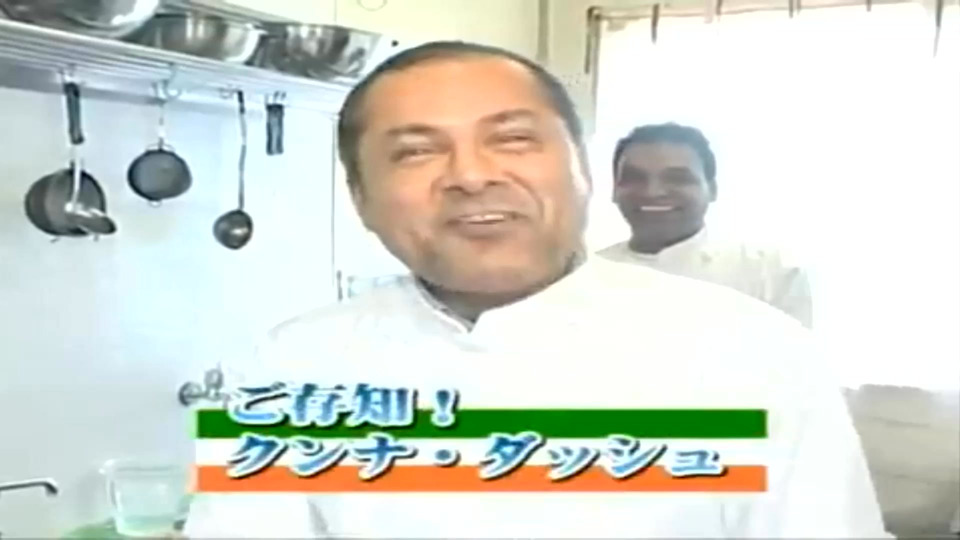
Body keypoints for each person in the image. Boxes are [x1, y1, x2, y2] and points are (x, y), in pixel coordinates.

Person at [182, 41, 886, 538]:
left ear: (583, 171)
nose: (471, 176)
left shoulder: (752, 353)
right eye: (416, 151)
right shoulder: (290, 366)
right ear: (361, 198)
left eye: (513, 139)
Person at [597, 123, 814, 328]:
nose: (653, 192)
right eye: (635, 179)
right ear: (615, 191)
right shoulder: (588, 274)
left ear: (712, 190)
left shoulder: (768, 271)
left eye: (677, 179)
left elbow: (794, 353)